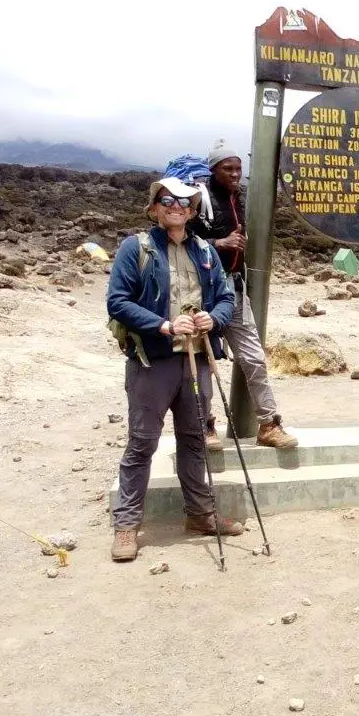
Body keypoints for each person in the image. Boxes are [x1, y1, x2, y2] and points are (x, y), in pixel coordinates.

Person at [105, 176, 245, 561]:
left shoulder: (205, 250)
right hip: (153, 362)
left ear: (193, 209)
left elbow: (224, 297)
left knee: (195, 440)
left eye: (184, 201)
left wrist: (212, 320)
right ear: (154, 208)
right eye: (167, 200)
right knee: (143, 444)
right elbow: (118, 302)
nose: (176, 206)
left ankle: (200, 515)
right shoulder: (136, 248)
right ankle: (127, 525)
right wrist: (164, 325)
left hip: (198, 360)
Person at [187, 138, 298, 451]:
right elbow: (184, 239)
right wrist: (220, 243)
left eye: (238, 168)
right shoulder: (200, 197)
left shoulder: (238, 197)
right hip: (201, 290)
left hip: (234, 288)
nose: (235, 173)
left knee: (253, 357)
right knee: (201, 359)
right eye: (228, 168)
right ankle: (205, 426)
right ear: (213, 170)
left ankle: (268, 424)